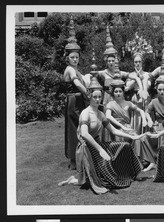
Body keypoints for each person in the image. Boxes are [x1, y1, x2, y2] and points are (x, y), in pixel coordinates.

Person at [58, 77, 144, 194]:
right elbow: (85, 134)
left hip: (97, 145)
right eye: (95, 97)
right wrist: (100, 150)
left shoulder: (100, 114)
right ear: (89, 97)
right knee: (106, 182)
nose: (98, 99)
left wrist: (131, 136)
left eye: (99, 97)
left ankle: (133, 173)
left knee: (125, 146)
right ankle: (75, 180)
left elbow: (113, 130)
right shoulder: (85, 113)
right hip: (86, 149)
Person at [63, 17, 89, 170]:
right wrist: (88, 93)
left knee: (81, 127)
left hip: (78, 100)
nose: (74, 59)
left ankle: (80, 157)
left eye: (76, 57)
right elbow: (77, 83)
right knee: (74, 129)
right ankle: (74, 160)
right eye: (72, 57)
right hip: (73, 101)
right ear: (67, 58)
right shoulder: (70, 70)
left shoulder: (77, 69)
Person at [141, 72, 164, 172]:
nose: (161, 92)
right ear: (156, 89)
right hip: (157, 126)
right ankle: (153, 162)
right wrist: (149, 119)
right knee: (146, 140)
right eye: (159, 89)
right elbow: (146, 112)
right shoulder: (154, 101)